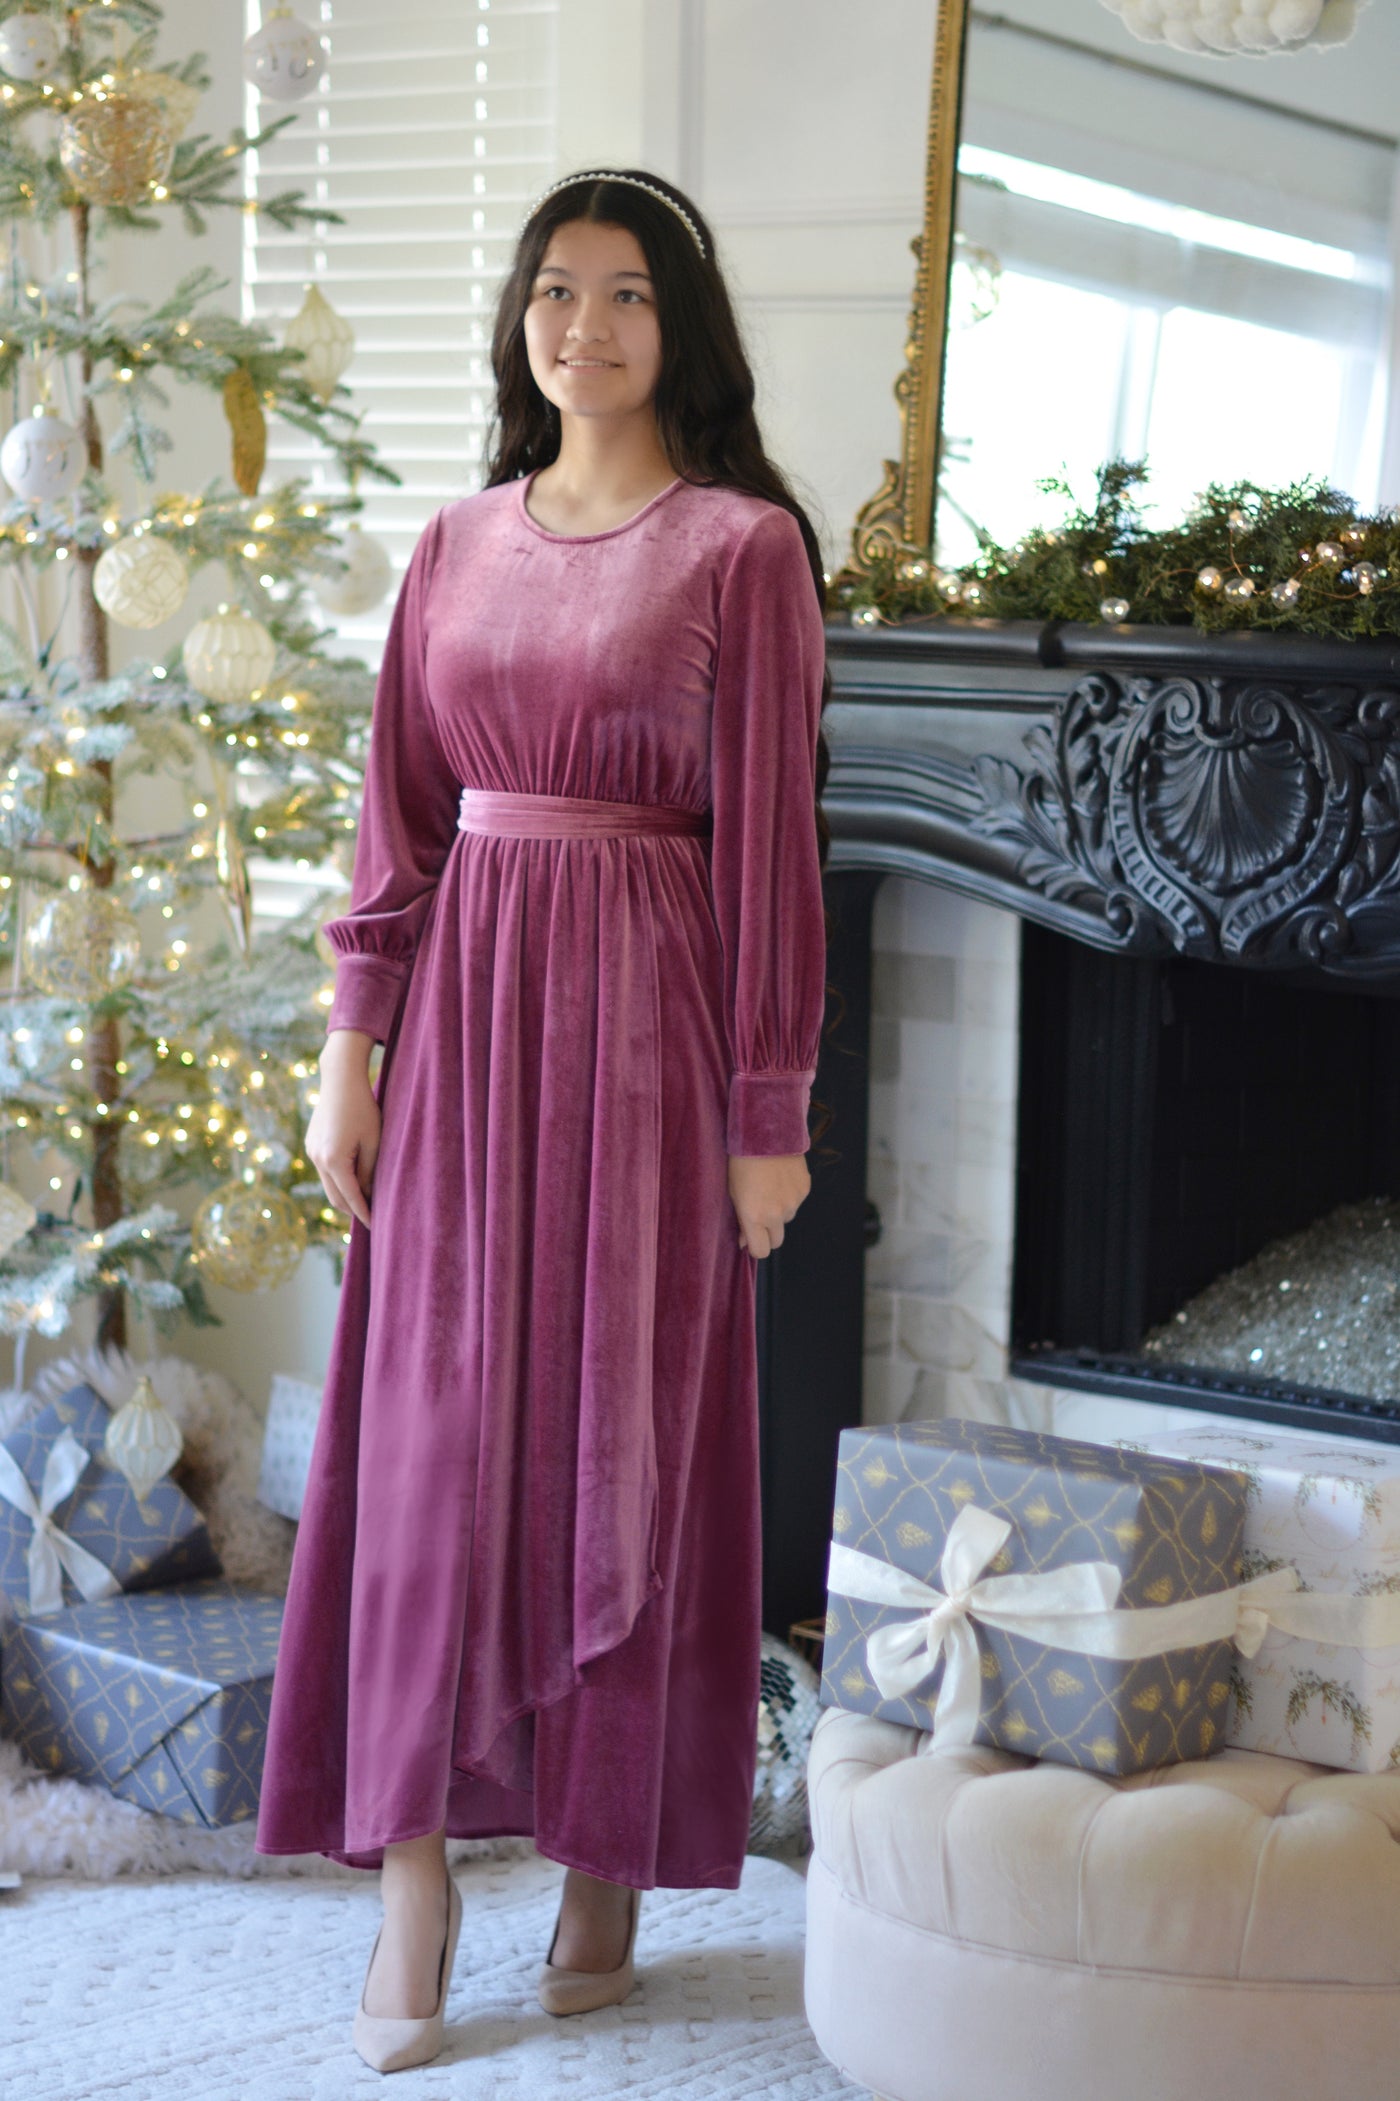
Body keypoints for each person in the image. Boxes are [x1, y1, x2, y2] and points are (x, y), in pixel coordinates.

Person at [252, 165, 833, 2075]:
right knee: (428, 1448)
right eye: (558, 290)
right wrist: (350, 1050)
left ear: (682, 328)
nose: (589, 326)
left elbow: (774, 855)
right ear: (522, 322)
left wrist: (769, 1108)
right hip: (464, 1034)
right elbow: (397, 823)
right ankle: (413, 1875)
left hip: (652, 1042)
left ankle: (602, 1860)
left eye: (630, 293)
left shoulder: (744, 549)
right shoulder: (450, 543)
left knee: (620, 1443)